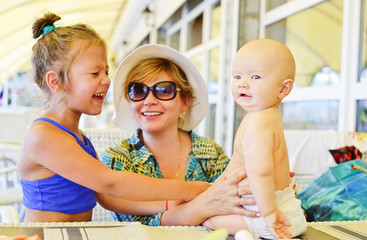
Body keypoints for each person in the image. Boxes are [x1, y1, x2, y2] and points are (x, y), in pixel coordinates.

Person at [17, 13, 211, 223]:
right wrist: (194, 189)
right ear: (56, 82)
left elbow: (106, 196)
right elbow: (111, 183)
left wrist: (166, 205)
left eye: (106, 72)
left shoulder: (79, 138)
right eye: (94, 74)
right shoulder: (44, 137)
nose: (107, 81)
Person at [97, 44, 260, 226]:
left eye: (164, 90)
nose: (149, 101)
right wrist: (203, 208)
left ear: (185, 102)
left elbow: (235, 202)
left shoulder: (210, 153)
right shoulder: (116, 160)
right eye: (138, 90)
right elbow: (139, 228)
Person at [203, 39, 307, 239]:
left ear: (283, 89)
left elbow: (261, 172)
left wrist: (268, 213)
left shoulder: (257, 123)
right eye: (237, 76)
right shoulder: (270, 115)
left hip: (263, 215)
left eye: (255, 76)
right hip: (285, 209)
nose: (242, 83)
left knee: (208, 218)